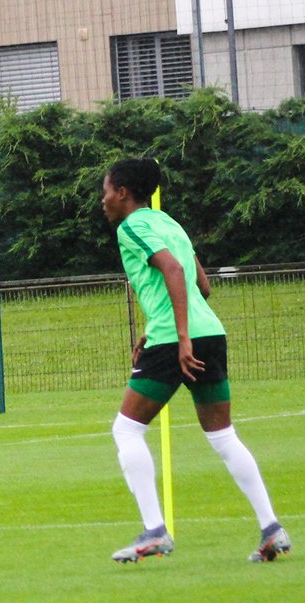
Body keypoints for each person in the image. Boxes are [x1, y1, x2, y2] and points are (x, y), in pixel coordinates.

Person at [101, 158, 289, 564]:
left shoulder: (131, 227)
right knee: (223, 436)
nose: (103, 200)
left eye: (106, 192)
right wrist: (160, 326)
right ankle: (271, 528)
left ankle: (154, 532)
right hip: (210, 333)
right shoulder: (169, 223)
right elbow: (202, 285)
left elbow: (171, 268)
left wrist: (179, 335)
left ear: (122, 193)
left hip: (178, 340)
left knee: (126, 430)